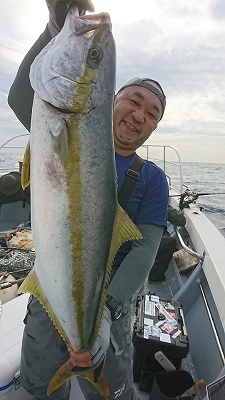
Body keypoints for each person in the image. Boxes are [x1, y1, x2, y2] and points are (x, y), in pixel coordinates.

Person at [8, 2, 169, 399]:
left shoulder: (153, 179)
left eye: (152, 113)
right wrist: (54, 29)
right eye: (133, 100)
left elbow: (146, 248)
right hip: (51, 291)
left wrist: (107, 311)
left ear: (154, 126)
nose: (139, 115)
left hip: (110, 309)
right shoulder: (57, 124)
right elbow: (18, 97)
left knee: (113, 392)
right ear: (112, 98)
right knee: (40, 388)